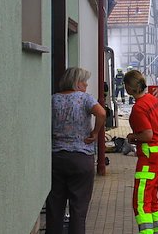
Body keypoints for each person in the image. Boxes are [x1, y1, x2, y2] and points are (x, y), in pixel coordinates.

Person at [46, 67, 106, 234]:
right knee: (78, 209)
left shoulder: (53, 100)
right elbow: (101, 113)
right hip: (81, 158)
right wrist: (94, 133)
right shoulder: (85, 99)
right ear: (77, 83)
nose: (86, 85)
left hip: (56, 157)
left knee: (54, 208)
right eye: (84, 82)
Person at [124, 69, 158, 234]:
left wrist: (132, 137)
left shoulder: (138, 108)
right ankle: (157, 230)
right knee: (152, 196)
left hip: (149, 156)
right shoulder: (150, 98)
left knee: (140, 200)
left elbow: (147, 134)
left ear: (129, 87)